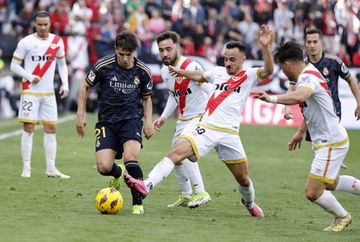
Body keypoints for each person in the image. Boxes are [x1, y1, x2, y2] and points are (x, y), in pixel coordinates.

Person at [124, 25, 274, 218]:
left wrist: (266, 47)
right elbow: (200, 77)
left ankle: (250, 202)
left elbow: (269, 70)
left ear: (243, 60)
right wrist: (180, 72)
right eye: (226, 59)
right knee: (176, 152)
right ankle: (146, 185)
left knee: (243, 179)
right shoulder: (217, 72)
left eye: (233, 60)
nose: (228, 63)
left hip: (230, 133)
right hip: (207, 127)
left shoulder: (249, 75)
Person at [255, 41, 360, 232]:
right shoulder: (308, 73)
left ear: (287, 65)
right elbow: (312, 110)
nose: (283, 73)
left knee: (312, 192)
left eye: (282, 68)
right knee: (332, 183)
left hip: (330, 142)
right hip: (329, 139)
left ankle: (343, 217)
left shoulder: (308, 78)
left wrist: (271, 98)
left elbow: (299, 97)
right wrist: (301, 132)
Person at [76, 30, 154, 215]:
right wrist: (80, 113)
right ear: (115, 50)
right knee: (103, 167)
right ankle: (117, 173)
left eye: (129, 54)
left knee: (131, 159)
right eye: (121, 54)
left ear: (135, 51)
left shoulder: (143, 71)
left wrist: (148, 121)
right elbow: (85, 86)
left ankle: (137, 203)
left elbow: (147, 98)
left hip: (131, 120)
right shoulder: (104, 65)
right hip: (107, 122)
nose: (125, 58)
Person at [153, 31, 211, 208]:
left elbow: (209, 89)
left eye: (169, 49)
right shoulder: (165, 71)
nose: (165, 53)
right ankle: (186, 195)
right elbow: (173, 95)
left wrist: (212, 115)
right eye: (161, 50)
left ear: (178, 47)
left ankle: (201, 192)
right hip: (183, 119)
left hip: (199, 117)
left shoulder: (191, 66)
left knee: (181, 151)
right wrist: (163, 117)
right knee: (176, 157)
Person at [10, 10, 70, 179]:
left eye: (46, 24)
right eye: (40, 24)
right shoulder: (25, 42)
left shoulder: (57, 42)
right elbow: (14, 66)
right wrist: (29, 76)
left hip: (49, 93)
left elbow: (62, 64)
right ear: (34, 24)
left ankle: (51, 169)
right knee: (29, 128)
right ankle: (26, 168)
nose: (43, 27)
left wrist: (65, 84)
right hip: (30, 91)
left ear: (50, 25)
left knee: (51, 129)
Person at [284, 28, 360, 125]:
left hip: (332, 113)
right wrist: (287, 106)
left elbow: (351, 80)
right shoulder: (301, 65)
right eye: (309, 42)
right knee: (314, 140)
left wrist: (359, 103)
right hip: (311, 116)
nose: (312, 45)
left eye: (315, 42)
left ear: (321, 42)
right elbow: (291, 87)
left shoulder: (334, 61)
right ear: (305, 44)